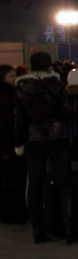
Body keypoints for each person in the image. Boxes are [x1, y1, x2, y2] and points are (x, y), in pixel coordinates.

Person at [14, 52, 76, 244]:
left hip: (34, 140)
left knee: (35, 185)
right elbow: (68, 111)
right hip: (58, 138)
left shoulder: (21, 86)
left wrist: (19, 142)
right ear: (49, 65)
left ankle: (37, 231)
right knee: (63, 185)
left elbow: (18, 118)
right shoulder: (55, 84)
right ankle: (69, 230)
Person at [0, 64, 28, 224]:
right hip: (11, 145)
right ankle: (15, 212)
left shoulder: (11, 94)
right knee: (15, 180)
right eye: (11, 76)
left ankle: (10, 212)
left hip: (9, 144)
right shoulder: (9, 96)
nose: (14, 79)